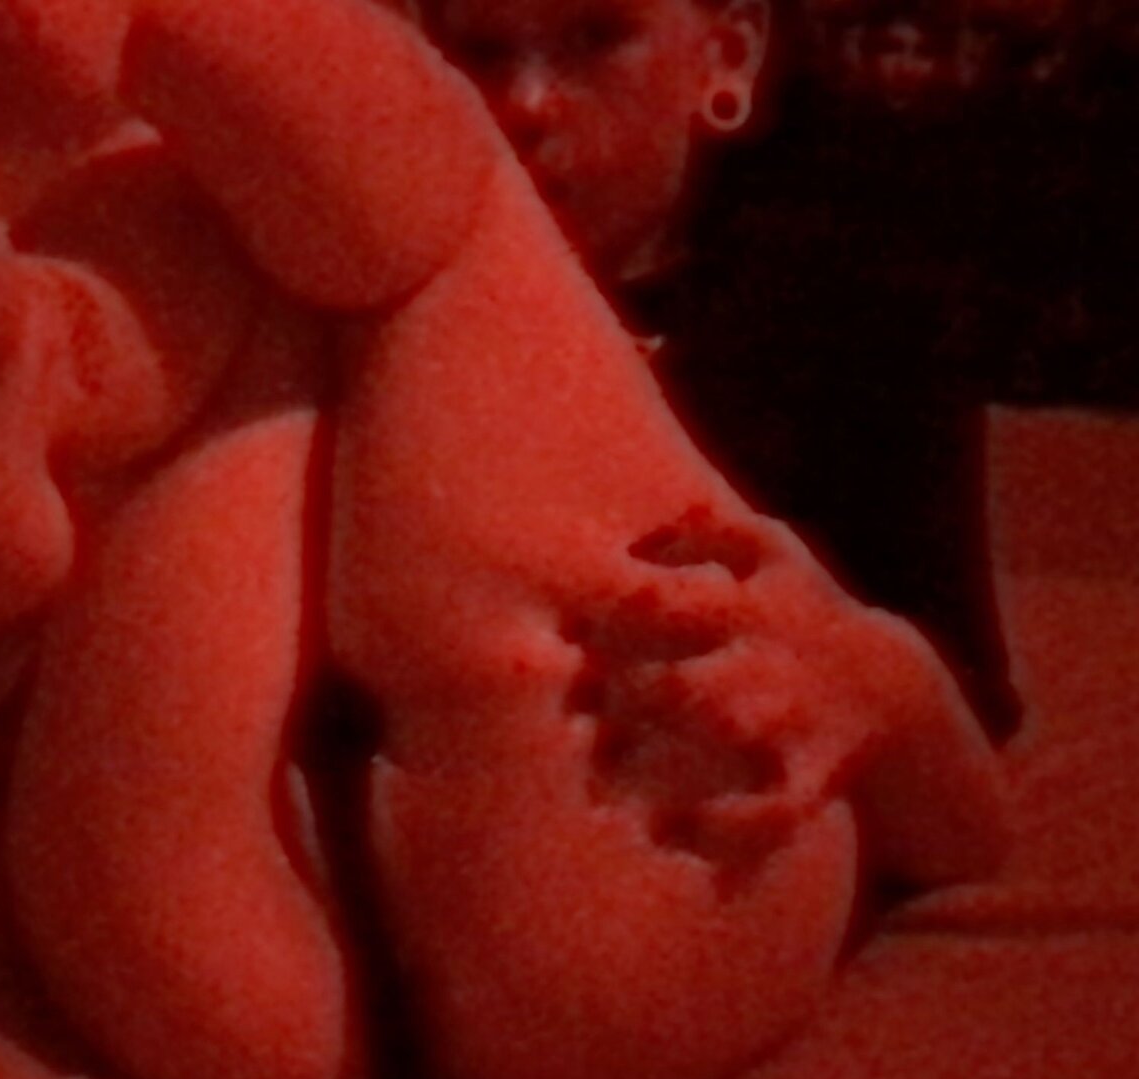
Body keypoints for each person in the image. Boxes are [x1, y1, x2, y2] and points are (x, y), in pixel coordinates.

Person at [416, 0, 1025, 741]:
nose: (528, 103)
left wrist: (857, 677)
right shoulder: (385, 325)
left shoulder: (855, 326)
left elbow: (962, 702)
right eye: (482, 53)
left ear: (728, 54)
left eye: (596, 38)